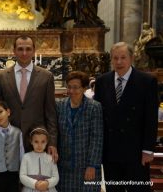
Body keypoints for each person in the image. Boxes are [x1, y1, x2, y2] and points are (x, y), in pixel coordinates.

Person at [94, 42, 158, 192]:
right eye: (115, 58)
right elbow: (98, 117)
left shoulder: (146, 81)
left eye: (123, 57)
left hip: (136, 151)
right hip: (111, 151)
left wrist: (148, 149)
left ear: (131, 58)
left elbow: (151, 118)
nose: (119, 62)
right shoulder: (102, 81)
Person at [0, 35, 58, 161]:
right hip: (9, 139)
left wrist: (52, 142)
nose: (24, 53)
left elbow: (51, 113)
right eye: (20, 49)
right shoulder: (1, 77)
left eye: (28, 49)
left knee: (35, 179)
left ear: (34, 51)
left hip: (37, 140)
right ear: (14, 51)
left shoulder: (46, 77)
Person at [56, 71, 103, 191]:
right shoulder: (60, 105)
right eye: (69, 87)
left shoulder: (94, 107)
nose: (71, 91)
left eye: (76, 87)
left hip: (86, 166)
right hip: (64, 167)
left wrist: (92, 165)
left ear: (84, 88)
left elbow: (96, 138)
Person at [0, 100, 24, 192]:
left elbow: (22, 155)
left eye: (0, 112)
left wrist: (22, 178)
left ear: (8, 112)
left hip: (13, 176)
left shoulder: (18, 132)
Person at [20, 127, 59, 192]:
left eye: (43, 142)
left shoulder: (50, 158)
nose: (39, 145)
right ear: (31, 141)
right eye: (36, 142)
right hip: (30, 189)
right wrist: (35, 184)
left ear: (47, 142)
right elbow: (22, 176)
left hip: (47, 189)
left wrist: (47, 183)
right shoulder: (26, 157)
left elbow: (56, 177)